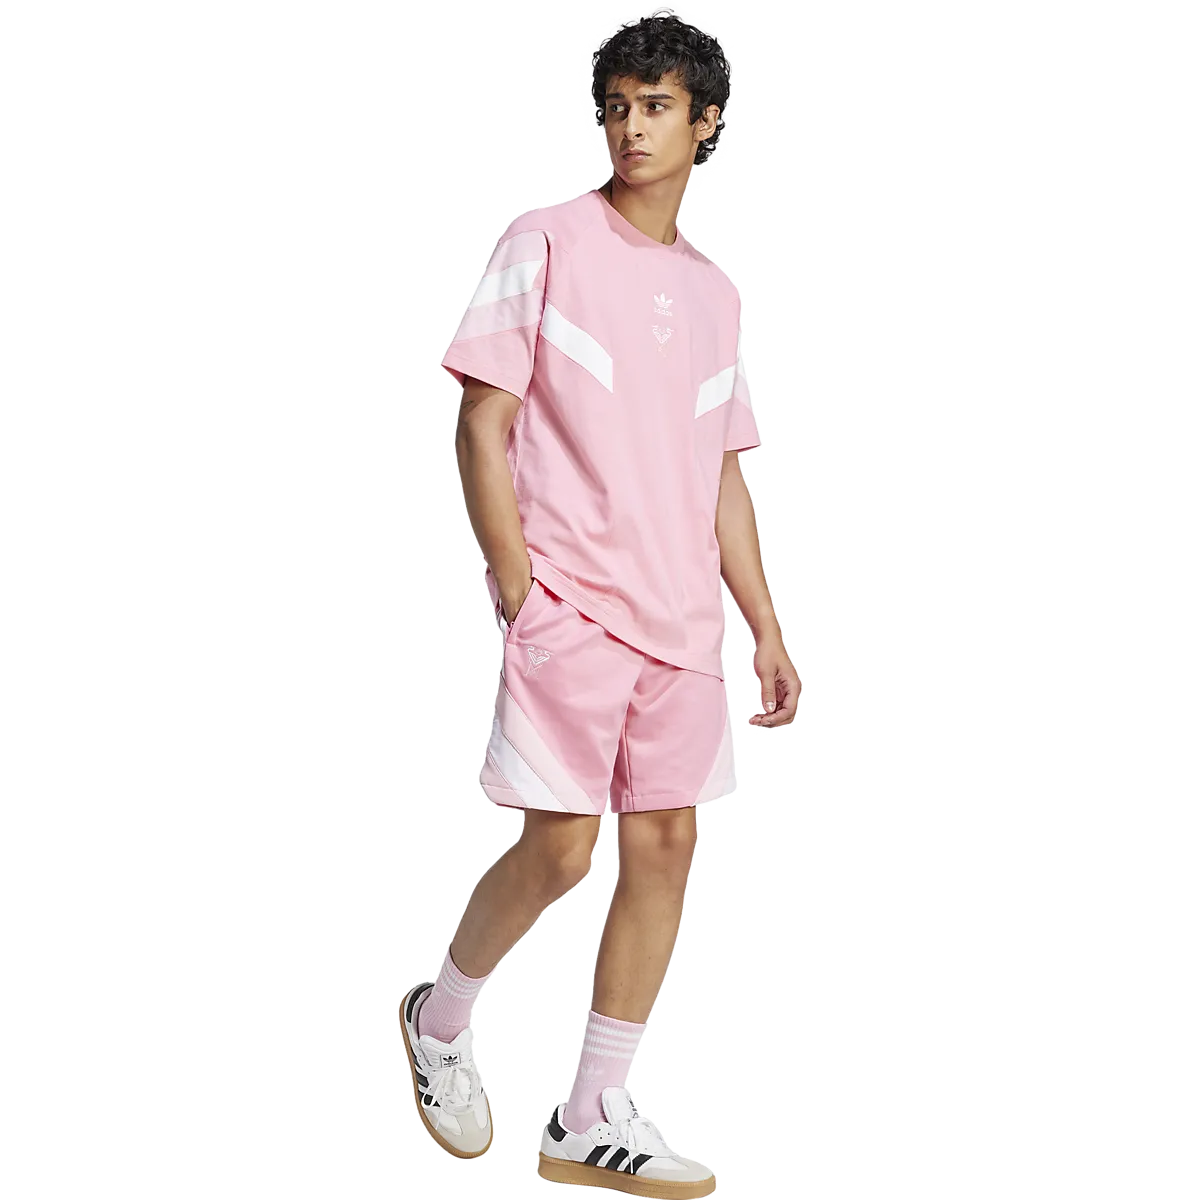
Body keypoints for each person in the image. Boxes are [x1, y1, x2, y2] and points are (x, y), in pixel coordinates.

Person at [402, 9, 800, 1196]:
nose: (632, 127)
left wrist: (765, 627)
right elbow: (481, 420)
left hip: (682, 625)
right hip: (572, 606)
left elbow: (721, 475)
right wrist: (520, 592)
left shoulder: (717, 293)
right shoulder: (546, 239)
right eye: (618, 106)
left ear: (706, 122)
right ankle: (441, 1014)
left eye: (657, 107)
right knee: (564, 845)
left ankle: (594, 1110)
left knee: (667, 846)